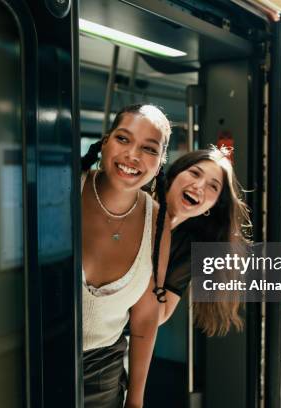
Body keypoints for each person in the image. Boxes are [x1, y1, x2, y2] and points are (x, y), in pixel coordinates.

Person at [80, 104, 171, 408]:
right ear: (105, 142)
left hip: (102, 374)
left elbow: (145, 319)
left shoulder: (158, 223)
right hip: (33, 361)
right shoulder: (65, 187)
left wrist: (135, 400)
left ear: (159, 164)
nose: (133, 155)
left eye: (148, 148)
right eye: (123, 139)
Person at [157, 147, 252, 336]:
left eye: (213, 186)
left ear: (214, 205)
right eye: (194, 173)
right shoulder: (137, 203)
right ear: (175, 173)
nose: (199, 186)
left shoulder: (188, 247)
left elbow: (160, 315)